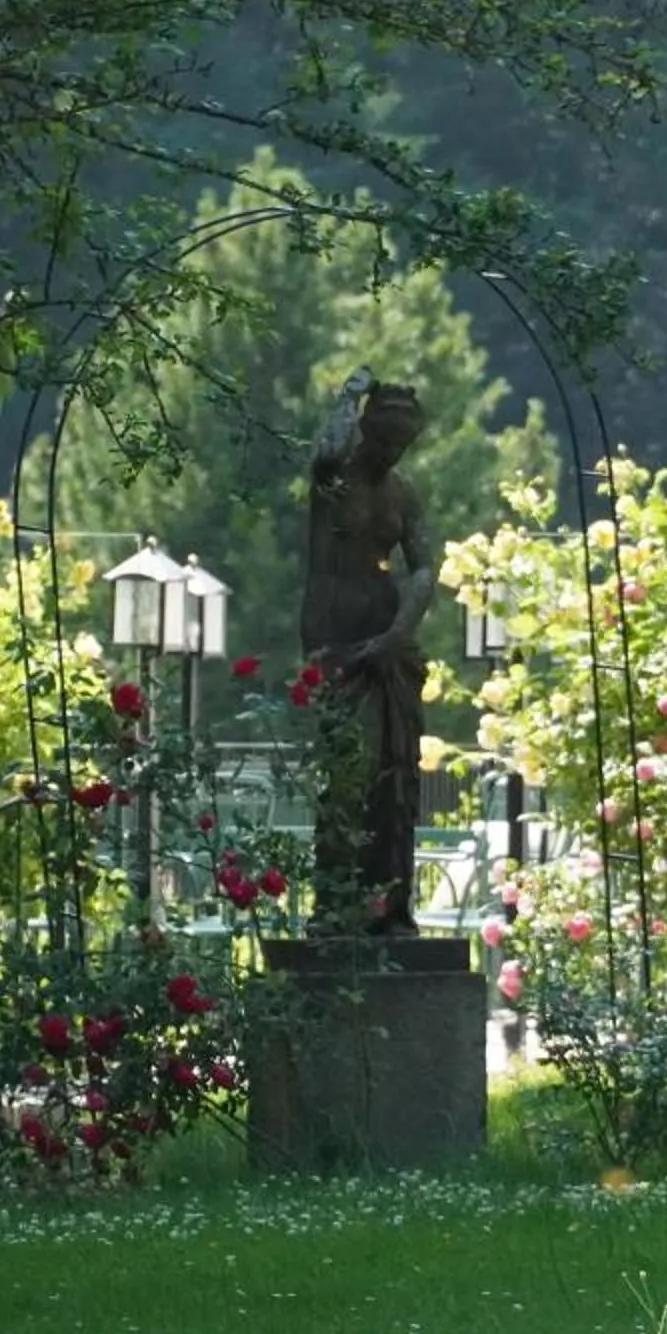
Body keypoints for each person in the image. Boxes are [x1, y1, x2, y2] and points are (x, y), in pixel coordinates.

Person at [299, 369, 433, 933]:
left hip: (387, 646)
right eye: (382, 438)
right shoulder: (334, 477)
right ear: (365, 429)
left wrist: (398, 634)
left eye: (401, 443)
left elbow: (424, 566)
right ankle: (335, 907)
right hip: (339, 644)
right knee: (347, 777)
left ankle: (389, 908)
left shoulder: (403, 492)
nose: (390, 451)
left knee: (395, 781)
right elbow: (325, 449)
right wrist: (350, 394)